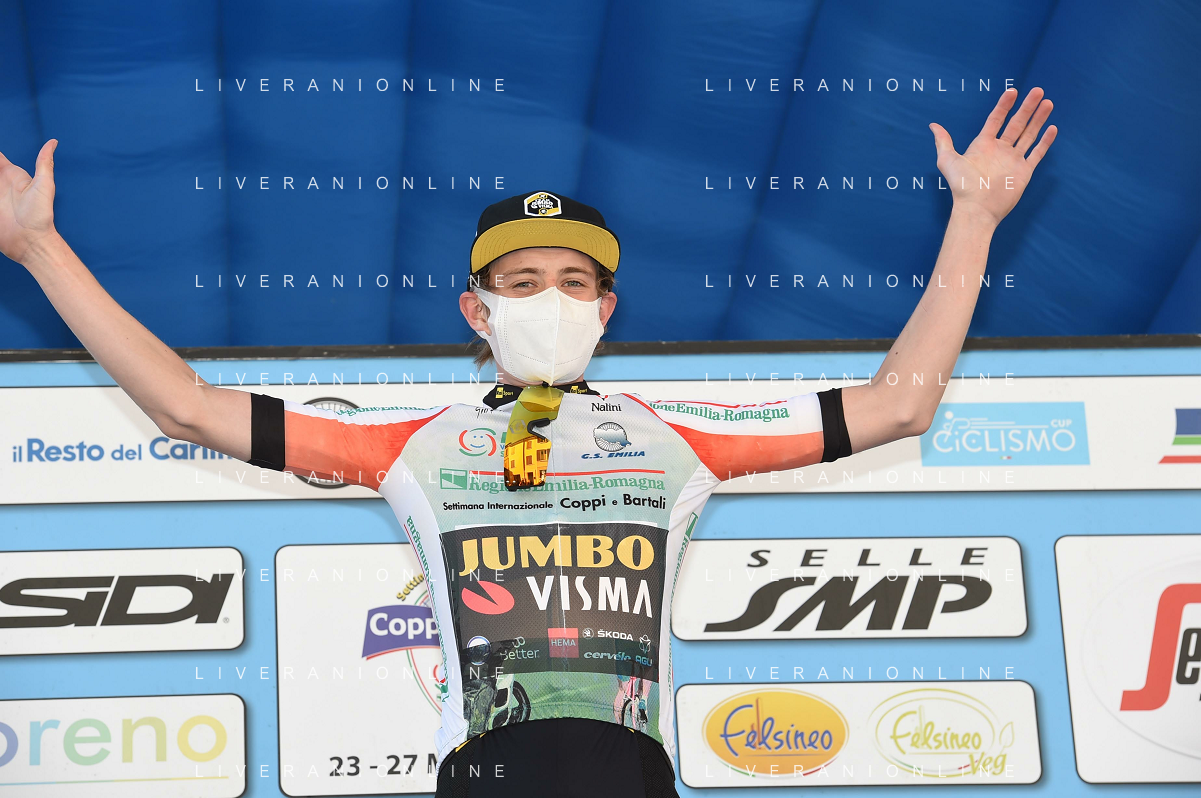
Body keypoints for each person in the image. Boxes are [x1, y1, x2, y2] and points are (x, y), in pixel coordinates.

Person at [0, 87, 1056, 797]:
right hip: (487, 772)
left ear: (606, 309)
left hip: (632, 772)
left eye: (572, 282)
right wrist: (41, 247)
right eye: (522, 282)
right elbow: (188, 408)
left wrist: (973, 219)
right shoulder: (411, 445)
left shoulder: (676, 443)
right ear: (476, 310)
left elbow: (895, 406)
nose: (549, 298)